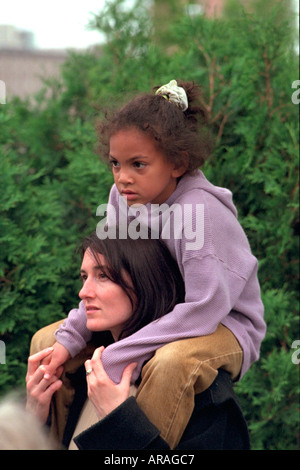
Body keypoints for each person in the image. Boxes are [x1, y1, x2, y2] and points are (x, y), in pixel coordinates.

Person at [33, 79, 266, 449]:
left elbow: (204, 310)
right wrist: (70, 336)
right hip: (160, 312)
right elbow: (108, 271)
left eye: (138, 164)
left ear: (177, 163)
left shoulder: (199, 214)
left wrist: (119, 354)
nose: (122, 177)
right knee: (48, 342)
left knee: (172, 362)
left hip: (224, 325)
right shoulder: (123, 198)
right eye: (115, 164)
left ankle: (135, 450)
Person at [26, 231, 250, 450]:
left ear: (146, 281)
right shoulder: (83, 372)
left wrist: (119, 421)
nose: (84, 292)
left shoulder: (203, 393)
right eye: (84, 277)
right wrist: (36, 418)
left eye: (103, 276)